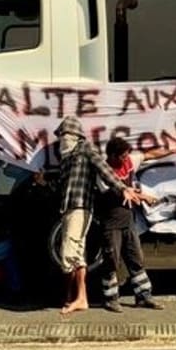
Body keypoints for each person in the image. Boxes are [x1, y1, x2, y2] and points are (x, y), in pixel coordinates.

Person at [54, 115, 142, 316]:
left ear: (75, 135)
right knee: (76, 252)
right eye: (62, 135)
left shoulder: (84, 148)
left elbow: (105, 170)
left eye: (66, 135)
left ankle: (80, 297)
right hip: (68, 207)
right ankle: (76, 297)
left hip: (80, 206)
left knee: (70, 253)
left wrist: (122, 188)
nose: (63, 139)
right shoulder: (66, 157)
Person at [97, 137, 176, 312]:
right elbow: (120, 192)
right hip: (112, 223)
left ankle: (143, 296)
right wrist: (144, 197)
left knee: (136, 258)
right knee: (111, 260)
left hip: (128, 221)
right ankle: (110, 299)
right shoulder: (103, 173)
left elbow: (148, 155)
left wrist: (172, 150)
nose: (125, 159)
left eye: (127, 155)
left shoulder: (129, 160)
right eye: (122, 156)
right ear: (112, 156)